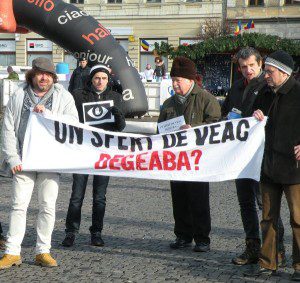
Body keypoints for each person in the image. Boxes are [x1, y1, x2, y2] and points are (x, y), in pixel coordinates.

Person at [0, 57, 78, 269]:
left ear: (53, 77)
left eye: (47, 74)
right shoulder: (18, 95)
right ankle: (12, 252)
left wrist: (50, 115)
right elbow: (7, 128)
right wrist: (12, 158)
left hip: (50, 160)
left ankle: (42, 251)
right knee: (18, 206)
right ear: (32, 75)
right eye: (39, 73)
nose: (43, 77)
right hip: (23, 161)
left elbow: (73, 124)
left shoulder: (64, 97)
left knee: (47, 207)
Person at [221, 47, 285, 266]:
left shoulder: (269, 86)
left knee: (265, 203)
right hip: (240, 156)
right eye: (243, 67)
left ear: (260, 65)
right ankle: (252, 247)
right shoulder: (237, 88)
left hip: (262, 156)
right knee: (245, 202)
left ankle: (277, 249)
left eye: (251, 66)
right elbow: (225, 115)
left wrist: (262, 117)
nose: (247, 70)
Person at [245, 50, 300, 281]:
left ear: (284, 73)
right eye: (265, 70)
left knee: (298, 218)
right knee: (268, 217)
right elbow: (248, 121)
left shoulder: (298, 93)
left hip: (294, 169)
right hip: (268, 167)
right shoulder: (264, 94)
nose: (265, 75)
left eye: (269, 71)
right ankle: (268, 261)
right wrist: (254, 115)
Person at [158, 56, 221, 252]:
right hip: (176, 160)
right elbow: (159, 130)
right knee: (179, 199)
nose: (175, 84)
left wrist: (193, 128)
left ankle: (202, 238)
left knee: (199, 199)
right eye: (173, 80)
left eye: (179, 80)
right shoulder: (168, 103)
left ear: (190, 80)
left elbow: (216, 125)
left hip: (198, 160)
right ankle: (183, 235)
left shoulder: (206, 99)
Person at [62, 64, 126, 248]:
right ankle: (71, 232)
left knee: (99, 197)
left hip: (104, 153)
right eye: (97, 78)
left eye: (104, 78)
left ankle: (96, 232)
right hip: (83, 151)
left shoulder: (115, 97)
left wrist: (118, 116)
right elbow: (69, 119)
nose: (100, 81)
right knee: (76, 195)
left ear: (108, 80)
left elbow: (120, 128)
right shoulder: (78, 96)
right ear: (91, 79)